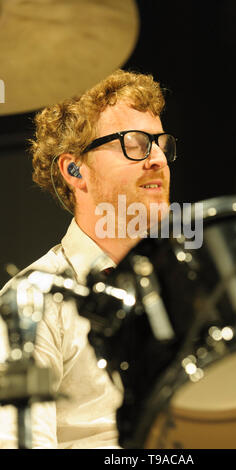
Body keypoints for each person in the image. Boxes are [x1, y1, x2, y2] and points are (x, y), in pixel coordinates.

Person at [0, 69, 177, 448]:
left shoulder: (181, 290)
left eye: (161, 143)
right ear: (75, 170)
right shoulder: (33, 302)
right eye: (135, 143)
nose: (159, 159)